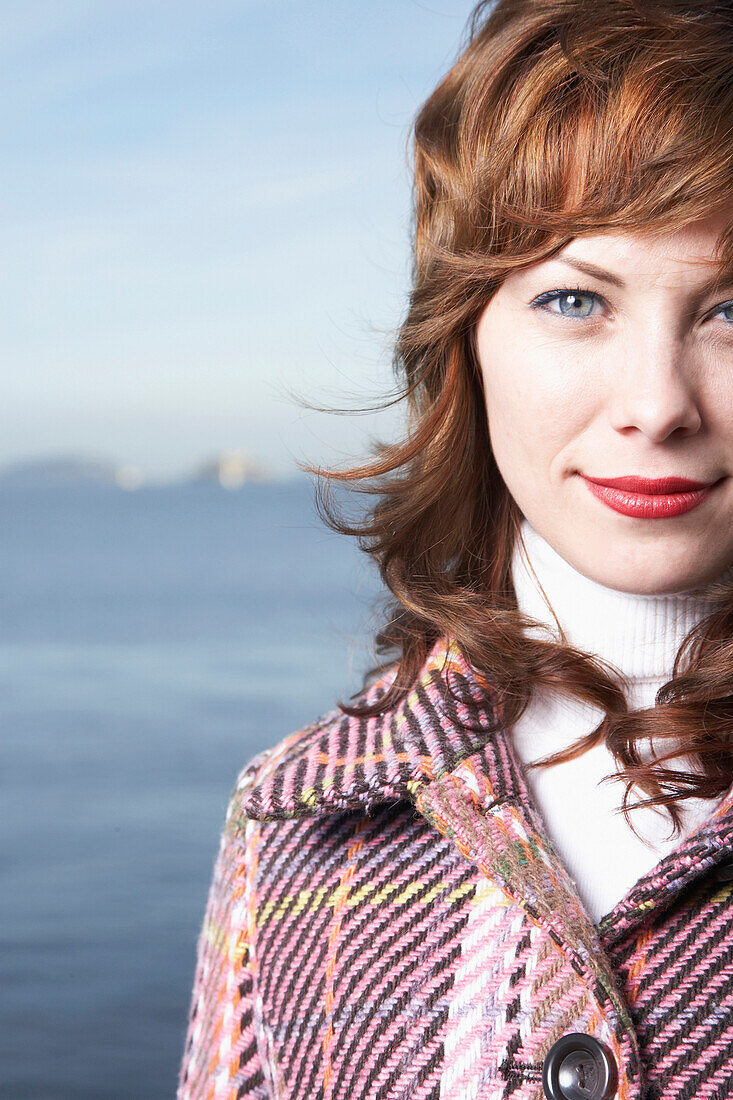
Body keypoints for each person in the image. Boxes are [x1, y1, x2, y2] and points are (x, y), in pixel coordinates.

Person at [177, 1, 733, 1097]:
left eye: (731, 312)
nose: (656, 404)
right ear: (465, 339)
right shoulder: (297, 811)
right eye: (575, 299)